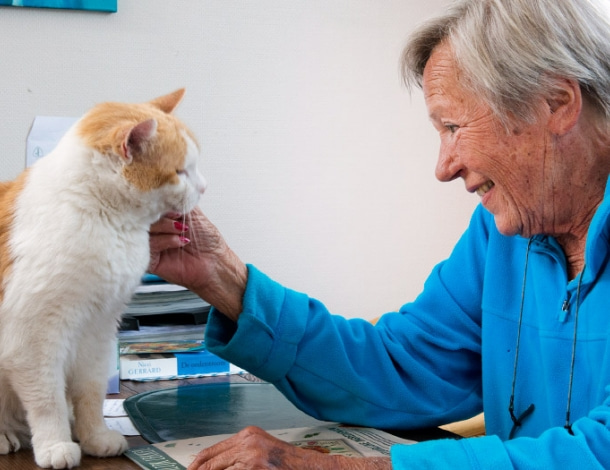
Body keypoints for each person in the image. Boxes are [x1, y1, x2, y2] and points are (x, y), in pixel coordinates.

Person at [148, 0, 610, 468]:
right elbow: (402, 367)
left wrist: (329, 466)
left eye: (453, 127)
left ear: (557, 103)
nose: (443, 168)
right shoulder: (503, 233)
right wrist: (221, 277)